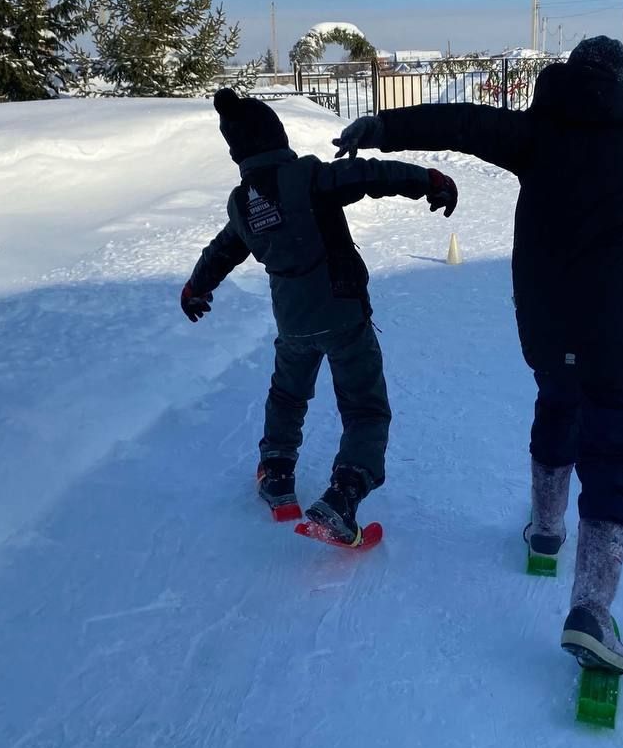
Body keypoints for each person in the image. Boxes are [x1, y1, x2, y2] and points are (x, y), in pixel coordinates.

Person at [332, 37, 623, 671]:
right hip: (616, 334)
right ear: (620, 84)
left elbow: (458, 122)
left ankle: (545, 529)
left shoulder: (536, 134)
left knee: (556, 405)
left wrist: (379, 127)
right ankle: (591, 608)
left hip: (546, 325)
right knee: (611, 451)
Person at [181, 89, 459, 546]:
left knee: (288, 395)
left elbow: (224, 248)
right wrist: (429, 179)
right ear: (278, 134)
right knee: (365, 407)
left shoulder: (243, 201)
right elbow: (371, 174)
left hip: (293, 322)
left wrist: (197, 287)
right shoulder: (307, 176)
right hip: (343, 311)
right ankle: (343, 496)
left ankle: (276, 473)